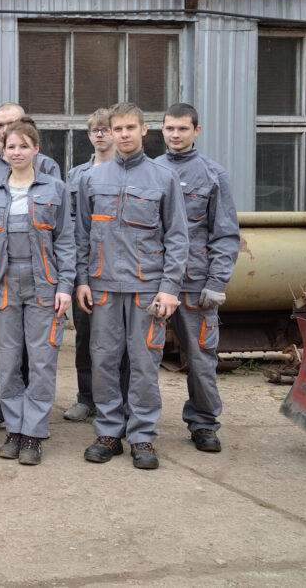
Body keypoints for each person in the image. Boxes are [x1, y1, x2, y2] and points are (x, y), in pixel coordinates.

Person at [76, 102, 188, 470]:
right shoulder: (92, 179)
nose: (123, 134)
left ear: (144, 130)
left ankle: (142, 436)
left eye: (130, 128)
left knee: (144, 363)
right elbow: (81, 236)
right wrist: (82, 281)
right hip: (103, 286)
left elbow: (177, 238)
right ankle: (108, 433)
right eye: (117, 128)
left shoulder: (163, 178)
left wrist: (169, 288)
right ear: (109, 132)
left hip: (147, 289)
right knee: (104, 361)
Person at [0, 122, 75, 465]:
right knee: (6, 362)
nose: (16, 152)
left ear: (36, 149)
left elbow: (66, 242)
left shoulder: (56, 188)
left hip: (44, 285)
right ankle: (14, 429)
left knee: (42, 361)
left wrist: (65, 286)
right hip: (2, 285)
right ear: (2, 152)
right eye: (10, 147)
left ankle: (33, 434)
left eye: (23, 146)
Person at [154, 103, 240, 453]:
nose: (176, 135)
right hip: (152, 281)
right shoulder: (150, 171)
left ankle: (203, 423)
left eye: (183, 129)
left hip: (195, 283)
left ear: (196, 131)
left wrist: (217, 283)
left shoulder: (213, 175)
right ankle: (137, 422)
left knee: (201, 359)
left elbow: (225, 233)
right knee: (139, 360)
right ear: (161, 130)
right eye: (170, 128)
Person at [63, 109, 115, 422]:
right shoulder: (77, 175)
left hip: (118, 267)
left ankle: (115, 401)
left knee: (116, 340)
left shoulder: (126, 172)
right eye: (95, 130)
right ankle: (86, 398)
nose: (100, 134)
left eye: (105, 129)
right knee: (84, 336)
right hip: (84, 267)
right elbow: (69, 221)